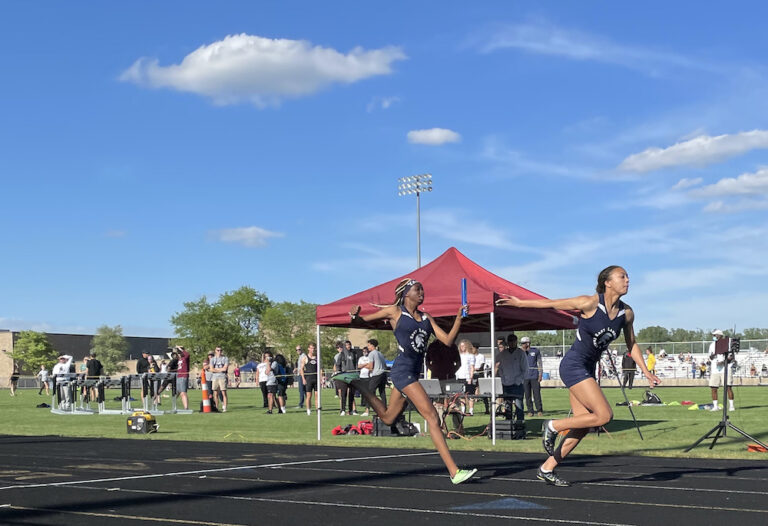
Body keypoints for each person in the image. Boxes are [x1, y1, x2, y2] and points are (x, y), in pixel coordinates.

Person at [496, 265, 660, 487]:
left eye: (628, 276)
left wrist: (647, 372)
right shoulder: (589, 303)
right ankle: (553, 425)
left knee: (582, 427)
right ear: (607, 282)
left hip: (587, 368)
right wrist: (519, 303)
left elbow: (632, 343)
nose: (628, 280)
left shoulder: (626, 313)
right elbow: (551, 304)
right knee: (604, 416)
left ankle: (547, 468)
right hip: (573, 365)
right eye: (622, 276)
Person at [338, 278, 477, 484]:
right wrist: (354, 316)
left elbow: (447, 341)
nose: (422, 292)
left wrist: (458, 318)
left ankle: (358, 384)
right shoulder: (395, 312)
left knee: (387, 418)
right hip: (403, 373)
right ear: (406, 294)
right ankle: (454, 472)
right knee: (432, 417)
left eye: (422, 289)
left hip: (413, 373)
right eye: (417, 289)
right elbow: (362, 322)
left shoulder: (426, 317)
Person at [494, 334, 527, 422]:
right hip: (506, 384)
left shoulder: (521, 353)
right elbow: (498, 367)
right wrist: (503, 379)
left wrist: (518, 380)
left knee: (519, 406)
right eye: (510, 341)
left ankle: (520, 426)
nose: (512, 343)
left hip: (517, 384)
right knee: (507, 407)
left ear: (516, 341)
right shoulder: (502, 354)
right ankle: (509, 426)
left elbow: (525, 369)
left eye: (514, 341)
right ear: (507, 342)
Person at [708, 329, 735, 412]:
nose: (714, 337)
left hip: (725, 368)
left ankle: (731, 406)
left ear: (720, 335)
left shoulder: (728, 344)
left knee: (728, 387)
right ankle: (715, 406)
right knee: (713, 388)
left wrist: (723, 362)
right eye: (713, 335)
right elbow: (710, 356)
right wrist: (712, 356)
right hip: (715, 369)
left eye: (715, 335)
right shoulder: (712, 345)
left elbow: (731, 357)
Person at [522, 337, 544, 416]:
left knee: (537, 394)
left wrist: (540, 374)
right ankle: (530, 411)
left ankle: (539, 410)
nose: (523, 345)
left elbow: (539, 363)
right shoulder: (521, 352)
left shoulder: (535, 351)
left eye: (524, 343)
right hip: (525, 377)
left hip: (534, 376)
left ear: (528, 343)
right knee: (527, 395)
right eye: (522, 343)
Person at [366, 339, 389, 408]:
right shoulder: (380, 354)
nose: (368, 347)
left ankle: (368, 409)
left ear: (372, 345)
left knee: (369, 392)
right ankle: (384, 408)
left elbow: (371, 366)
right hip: (383, 374)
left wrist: (364, 367)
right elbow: (385, 365)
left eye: (369, 345)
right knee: (382, 392)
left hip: (377, 374)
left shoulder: (371, 353)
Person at [455, 339, 476, 416]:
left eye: (463, 346)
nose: (462, 347)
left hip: (467, 377)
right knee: (461, 395)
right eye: (461, 346)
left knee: (470, 395)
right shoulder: (458, 356)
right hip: (459, 376)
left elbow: (472, 367)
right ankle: (463, 410)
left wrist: (470, 378)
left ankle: (471, 410)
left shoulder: (470, 356)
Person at [301, 343, 320, 415]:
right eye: (311, 348)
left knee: (317, 395)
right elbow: (301, 369)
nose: (313, 350)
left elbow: (320, 368)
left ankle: (317, 409)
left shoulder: (317, 358)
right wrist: (303, 378)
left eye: (314, 348)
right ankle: (308, 409)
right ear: (308, 349)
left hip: (316, 379)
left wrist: (321, 378)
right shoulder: (305, 358)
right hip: (309, 379)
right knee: (309, 395)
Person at [210, 347, 229, 412]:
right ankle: (216, 407)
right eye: (218, 350)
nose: (219, 351)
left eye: (220, 350)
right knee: (215, 393)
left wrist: (216, 370)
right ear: (215, 351)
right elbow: (211, 369)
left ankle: (224, 407)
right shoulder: (212, 359)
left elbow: (225, 369)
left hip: (222, 377)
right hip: (215, 377)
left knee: (224, 392)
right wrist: (220, 370)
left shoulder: (225, 358)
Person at [357, 346, 371, 416]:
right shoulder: (361, 358)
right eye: (363, 351)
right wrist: (365, 364)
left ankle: (368, 406)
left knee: (368, 391)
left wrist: (363, 365)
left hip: (368, 377)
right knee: (363, 391)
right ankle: (363, 403)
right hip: (362, 376)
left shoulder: (370, 358)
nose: (365, 352)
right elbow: (359, 366)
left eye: (366, 351)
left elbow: (370, 366)